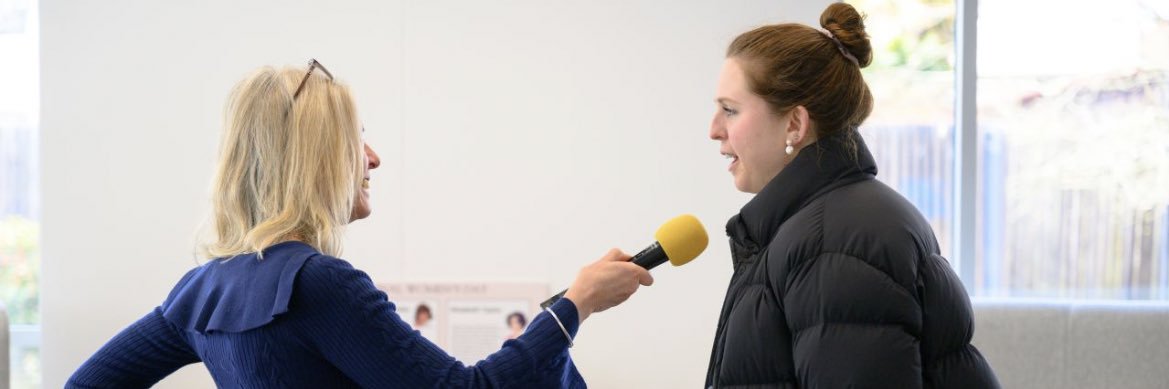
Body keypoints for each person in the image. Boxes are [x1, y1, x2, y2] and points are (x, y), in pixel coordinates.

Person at [67, 59, 653, 388]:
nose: (373, 158)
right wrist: (575, 306)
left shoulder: (198, 293)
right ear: (313, 157)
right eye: (356, 139)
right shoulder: (319, 285)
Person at [704, 4, 999, 388]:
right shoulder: (834, 222)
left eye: (730, 110)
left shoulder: (833, 245)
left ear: (794, 124)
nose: (714, 130)